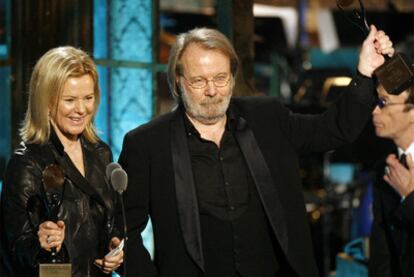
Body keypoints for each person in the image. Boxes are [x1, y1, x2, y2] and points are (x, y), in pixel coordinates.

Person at [118, 26, 393, 277]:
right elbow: (123, 228)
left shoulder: (267, 118)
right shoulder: (146, 144)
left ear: (233, 76)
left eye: (221, 78)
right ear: (178, 81)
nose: (212, 90)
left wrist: (365, 73)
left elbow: (333, 129)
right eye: (199, 81)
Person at [0, 46, 123, 276]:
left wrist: (114, 245)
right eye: (69, 100)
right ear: (46, 102)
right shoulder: (27, 163)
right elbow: (15, 248)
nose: (81, 109)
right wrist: (41, 244)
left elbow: (110, 220)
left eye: (88, 98)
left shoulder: (101, 153)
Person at [369, 66, 414, 277]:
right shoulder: (383, 169)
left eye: (383, 103)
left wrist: (410, 196)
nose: (375, 111)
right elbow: (382, 253)